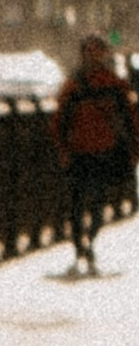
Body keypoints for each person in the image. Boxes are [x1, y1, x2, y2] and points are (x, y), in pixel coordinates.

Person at [53, 33, 135, 272]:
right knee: (77, 203)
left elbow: (130, 119)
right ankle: (81, 246)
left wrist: (133, 147)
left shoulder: (114, 84)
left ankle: (89, 242)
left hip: (104, 150)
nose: (93, 55)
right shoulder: (74, 85)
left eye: (97, 50)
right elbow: (59, 121)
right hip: (79, 151)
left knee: (98, 203)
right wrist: (63, 150)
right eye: (89, 51)